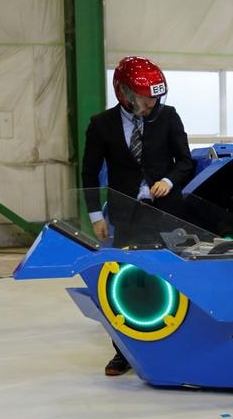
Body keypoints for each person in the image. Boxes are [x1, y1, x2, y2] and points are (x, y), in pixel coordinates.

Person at [81, 56, 195, 376]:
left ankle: (177, 345)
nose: (151, 104)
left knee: (174, 279)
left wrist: (169, 180)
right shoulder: (101, 125)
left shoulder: (168, 117)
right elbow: (89, 174)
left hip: (168, 213)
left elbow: (185, 161)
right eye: (144, 98)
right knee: (129, 282)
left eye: (155, 98)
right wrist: (95, 216)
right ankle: (124, 351)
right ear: (125, 94)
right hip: (127, 216)